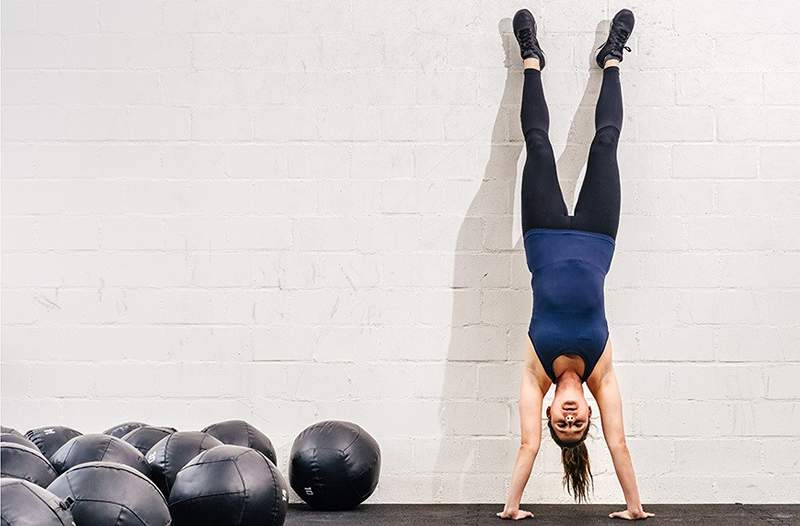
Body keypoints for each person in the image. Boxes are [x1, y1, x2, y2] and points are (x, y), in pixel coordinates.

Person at [497, 8, 654, 521]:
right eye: (577, 423)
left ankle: (530, 57)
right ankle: (612, 58)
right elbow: (620, 444)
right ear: (588, 411)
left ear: (549, 413)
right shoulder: (602, 373)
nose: (568, 417)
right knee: (606, 143)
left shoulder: (534, 372)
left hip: (542, 236)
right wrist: (633, 507)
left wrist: (512, 507)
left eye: (560, 424)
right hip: (596, 236)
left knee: (537, 146)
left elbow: (527, 447)